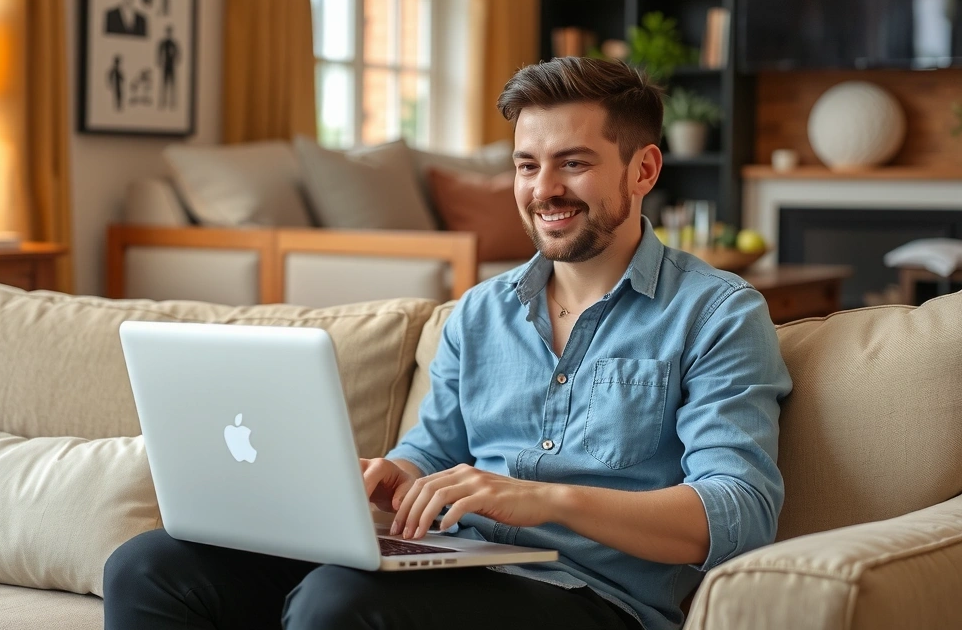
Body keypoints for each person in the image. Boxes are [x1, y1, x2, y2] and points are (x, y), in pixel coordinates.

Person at [103, 57, 791, 630]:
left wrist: (544, 499)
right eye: (526, 165)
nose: (544, 190)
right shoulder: (480, 313)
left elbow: (739, 511)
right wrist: (392, 476)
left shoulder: (717, 314)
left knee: (339, 605)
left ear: (643, 171)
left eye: (572, 164)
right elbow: (433, 448)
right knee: (149, 566)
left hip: (589, 599)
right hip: (456, 566)